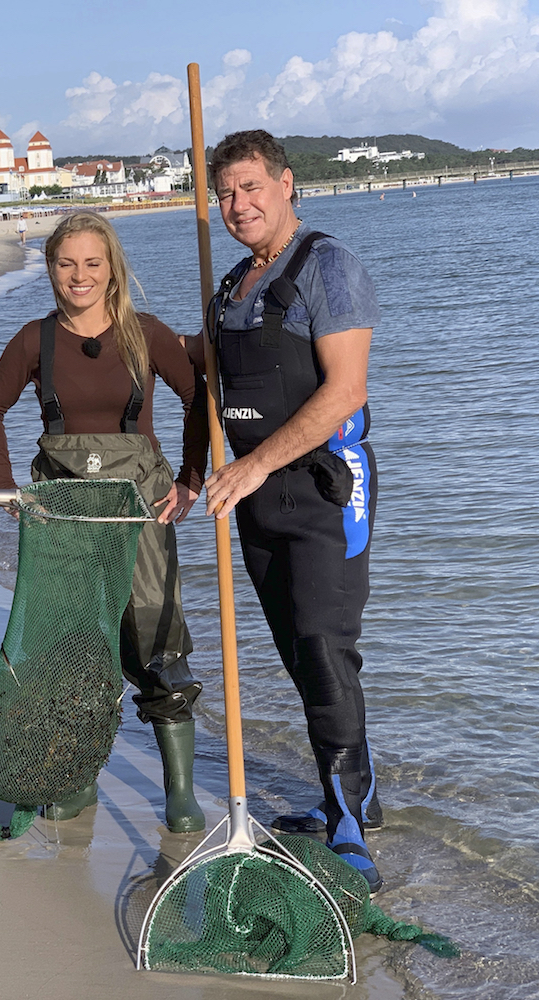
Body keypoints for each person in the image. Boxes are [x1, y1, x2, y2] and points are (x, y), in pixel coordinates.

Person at [191, 129, 383, 891]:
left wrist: (253, 465)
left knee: (326, 647)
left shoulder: (327, 267)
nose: (238, 205)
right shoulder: (232, 284)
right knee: (301, 657)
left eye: (250, 188)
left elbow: (345, 390)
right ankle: (351, 798)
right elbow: (209, 390)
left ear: (285, 183)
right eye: (225, 194)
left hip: (326, 493)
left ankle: (348, 821)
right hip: (254, 500)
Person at [0, 212, 208, 833]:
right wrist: (6, 492)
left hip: (140, 508)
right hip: (64, 512)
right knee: (68, 649)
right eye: (65, 263)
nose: (78, 276)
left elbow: (198, 399)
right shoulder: (35, 340)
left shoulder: (146, 334)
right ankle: (74, 779)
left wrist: (191, 479)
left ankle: (179, 792)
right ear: (50, 268)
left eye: (92, 263)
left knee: (157, 639)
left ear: (113, 269)